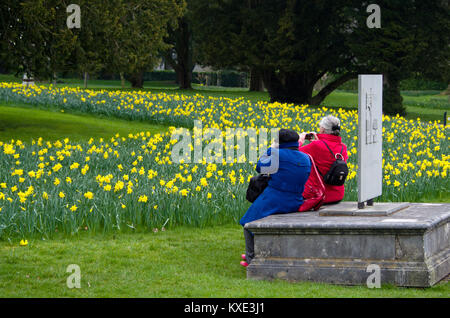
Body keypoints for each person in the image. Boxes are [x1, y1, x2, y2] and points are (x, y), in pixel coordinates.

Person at [239, 129, 311, 267]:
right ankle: (258, 252)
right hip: (295, 201)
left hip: (275, 199)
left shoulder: (277, 154)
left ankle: (251, 259)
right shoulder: (306, 158)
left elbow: (260, 167)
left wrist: (271, 148)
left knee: (248, 224)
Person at [298, 115, 348, 205]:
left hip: (320, 196)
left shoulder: (316, 146)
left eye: (320, 127)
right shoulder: (343, 148)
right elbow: (327, 154)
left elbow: (293, 153)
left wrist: (300, 140)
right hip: (337, 196)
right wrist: (318, 140)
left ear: (323, 129)